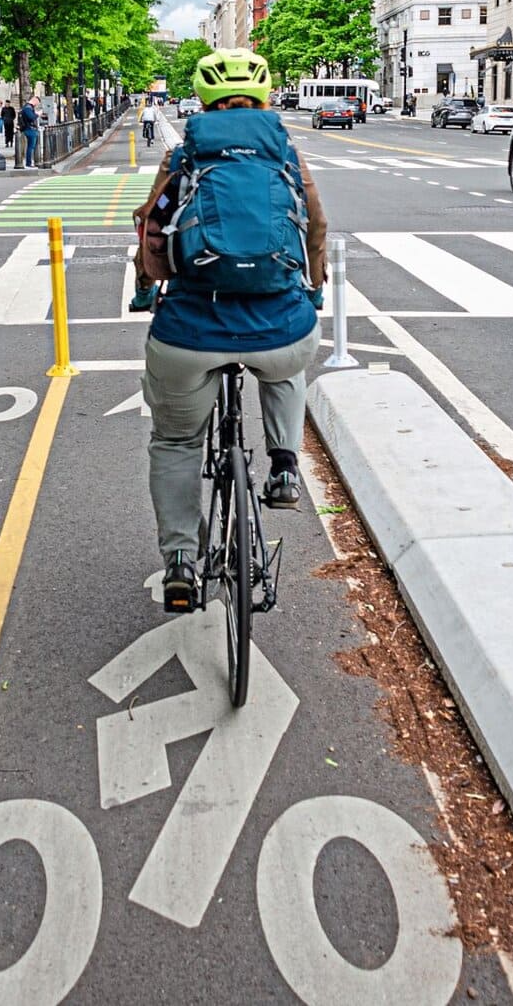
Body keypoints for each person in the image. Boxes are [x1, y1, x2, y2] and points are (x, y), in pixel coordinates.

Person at [133, 48, 327, 610]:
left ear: (203, 99)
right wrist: (312, 289)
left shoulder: (183, 154)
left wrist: (149, 290)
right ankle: (285, 467)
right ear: (265, 99)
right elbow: (316, 224)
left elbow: (151, 230)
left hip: (191, 328)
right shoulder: (285, 152)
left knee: (174, 440)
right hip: (277, 321)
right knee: (286, 366)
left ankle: (179, 561)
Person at [19, 95, 40, 165]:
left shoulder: (27, 107)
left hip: (29, 128)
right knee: (31, 147)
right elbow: (31, 117)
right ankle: (29, 162)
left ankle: (30, 162)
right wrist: (38, 114)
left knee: (31, 147)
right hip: (30, 129)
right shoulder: (28, 108)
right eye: (37, 102)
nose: (37, 104)